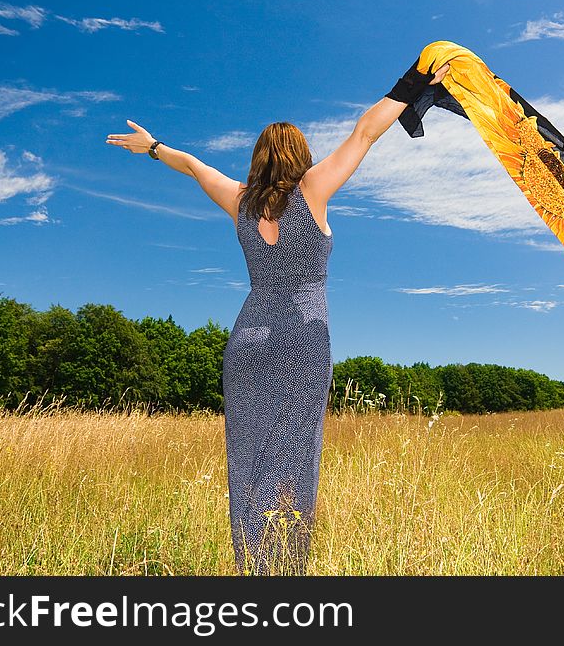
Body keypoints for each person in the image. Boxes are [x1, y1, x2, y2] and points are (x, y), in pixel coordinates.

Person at [106, 58, 450, 574]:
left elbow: (195, 165)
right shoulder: (313, 190)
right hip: (304, 339)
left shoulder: (241, 203)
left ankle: (254, 568)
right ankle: (285, 570)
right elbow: (364, 132)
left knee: (248, 460)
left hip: (247, 340)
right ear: (299, 155)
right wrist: (415, 83)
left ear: (259, 156)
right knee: (294, 453)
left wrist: (153, 147)